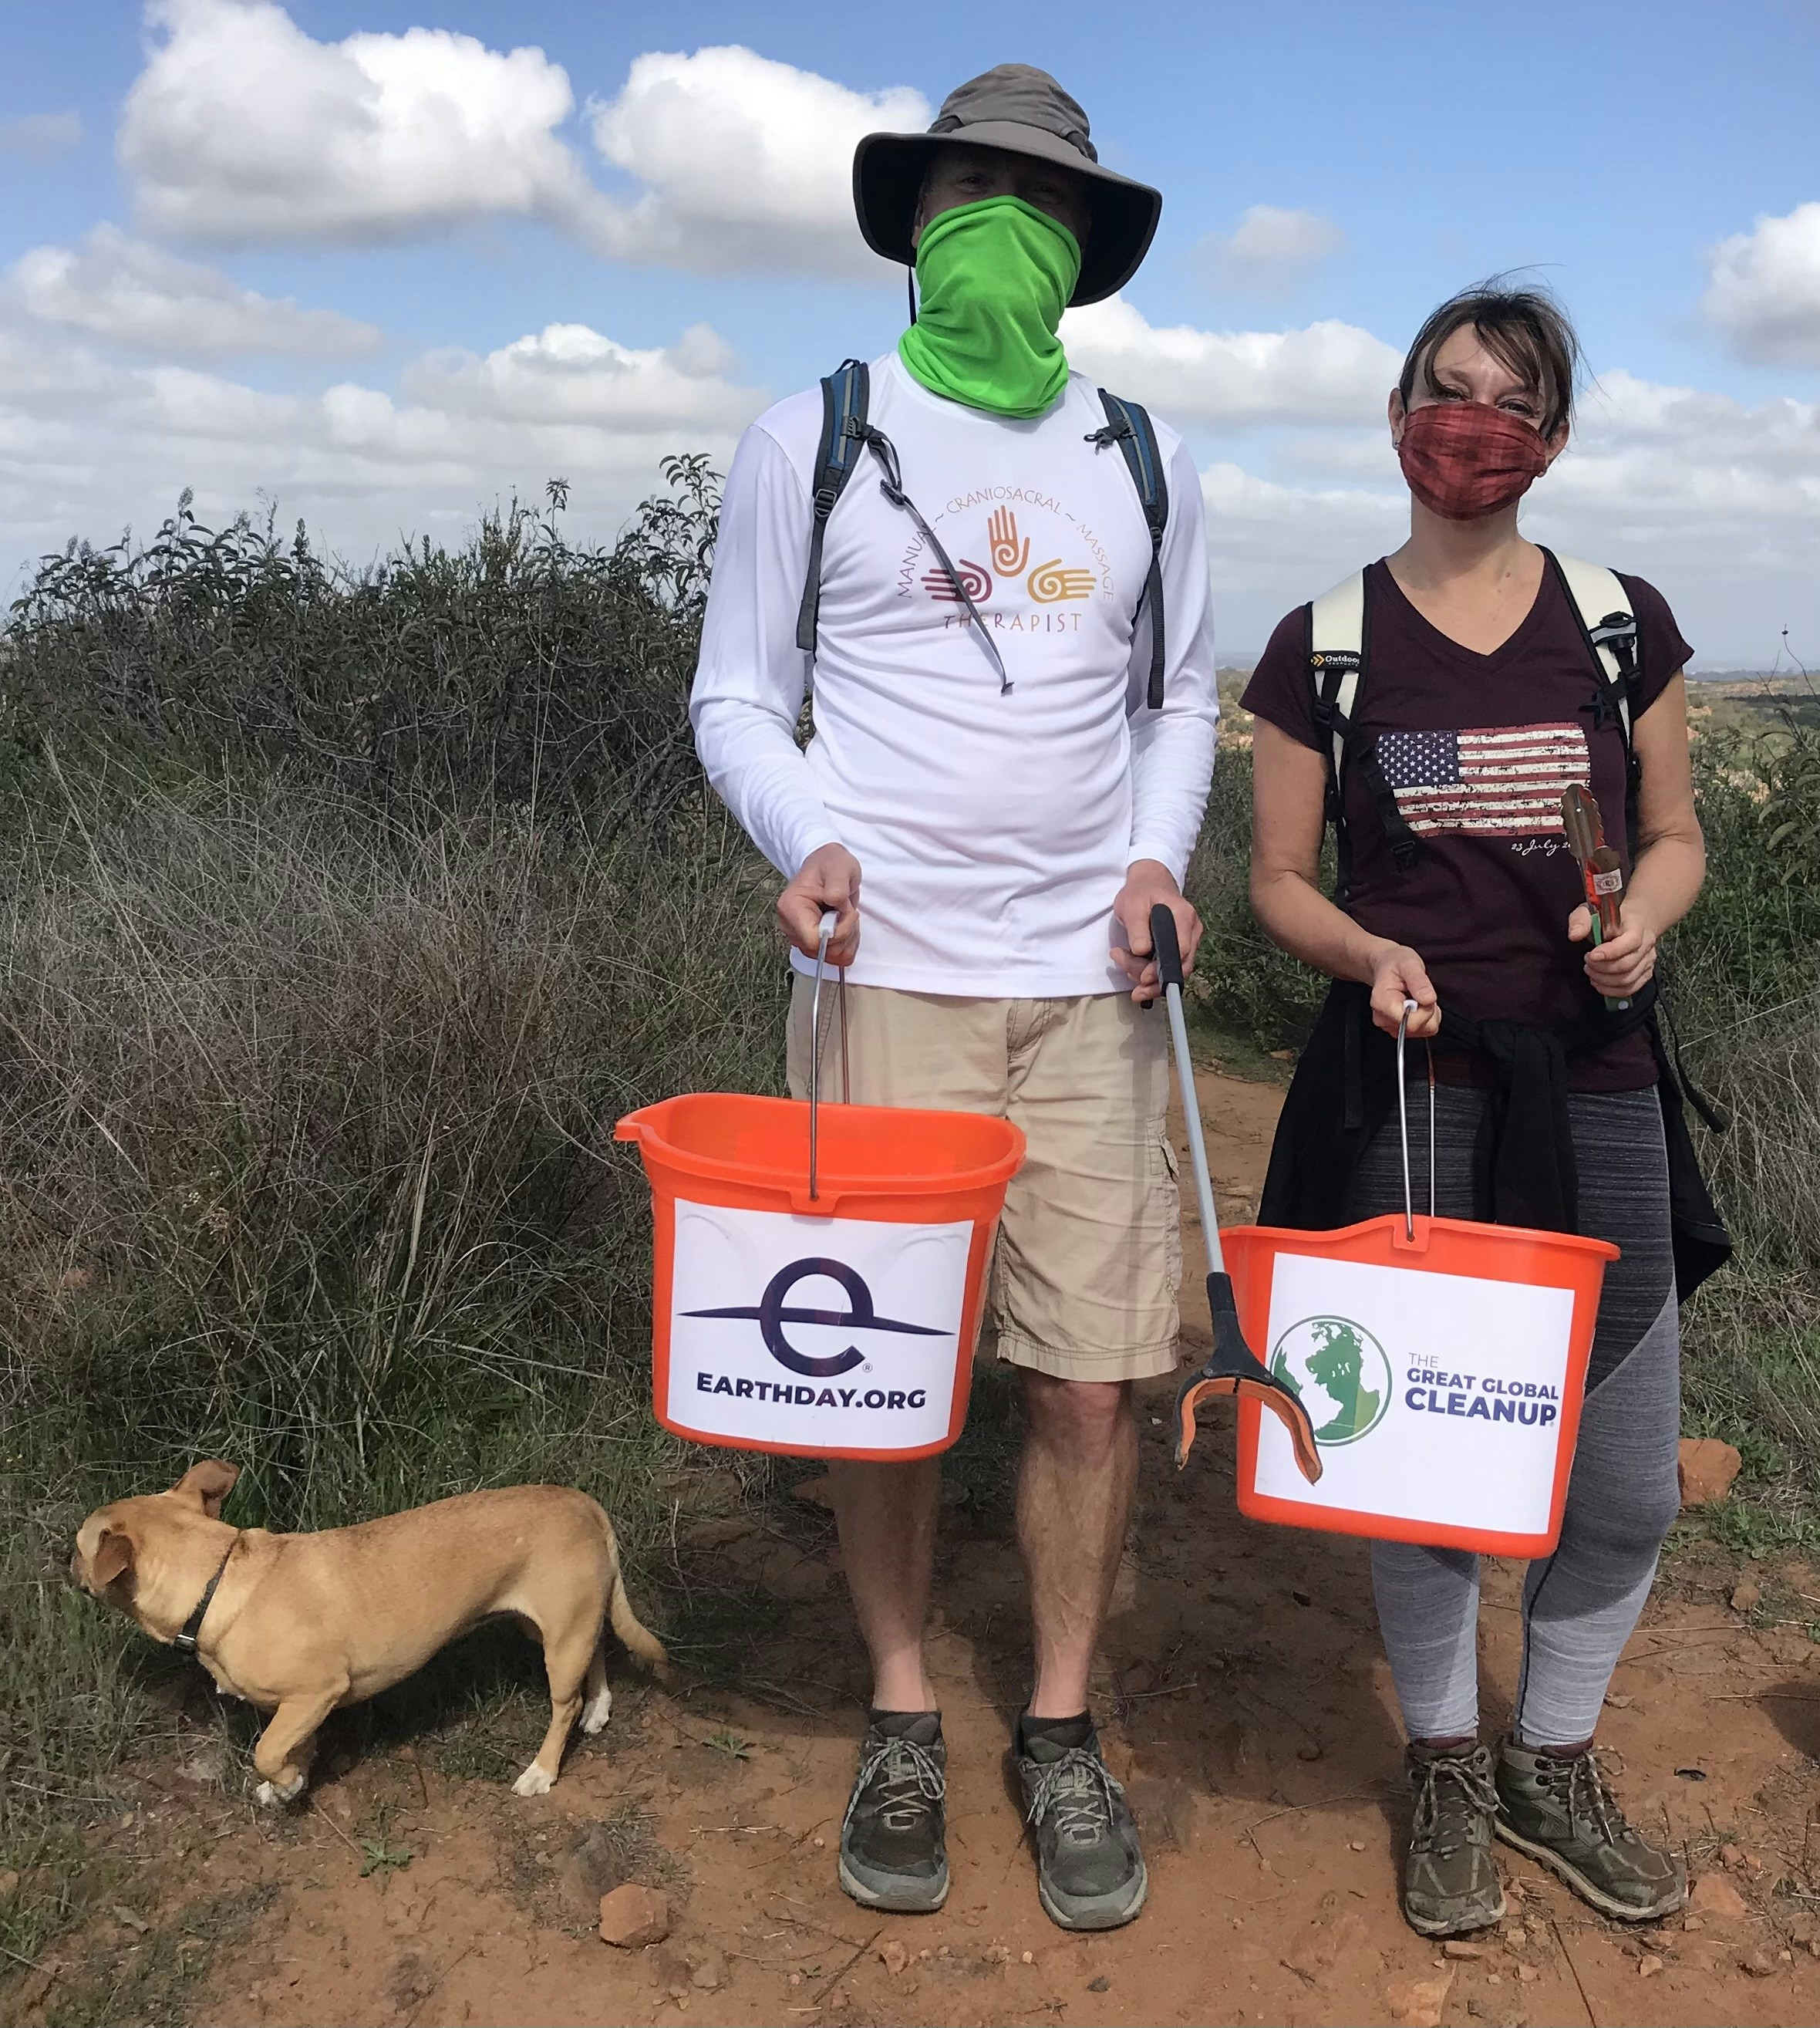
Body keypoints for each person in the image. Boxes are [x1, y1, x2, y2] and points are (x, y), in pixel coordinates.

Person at [689, 65, 1217, 1931]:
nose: (1000, 218)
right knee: (888, 1384)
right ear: (917, 217)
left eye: (1037, 199)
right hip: (880, 981)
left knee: (1088, 1382)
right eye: (969, 185)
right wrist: (810, 832)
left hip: (1089, 990)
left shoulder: (1143, 455)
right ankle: (907, 1701)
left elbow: (1175, 703)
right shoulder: (808, 435)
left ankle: (1058, 1725)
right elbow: (736, 696)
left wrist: (1160, 864)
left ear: (1079, 248)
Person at [1242, 280, 1728, 1938]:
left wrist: (1648, 914)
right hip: (1413, 1084)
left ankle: (1552, 1754)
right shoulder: (1324, 642)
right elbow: (1274, 883)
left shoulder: (1616, 622)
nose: (1470, 423)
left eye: (1505, 400)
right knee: (1428, 1462)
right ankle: (1447, 1761)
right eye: (1444, 390)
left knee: (1624, 1481)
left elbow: (1672, 833)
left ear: (1554, 438)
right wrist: (1365, 947)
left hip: (1595, 1079)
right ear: (1395, 414)